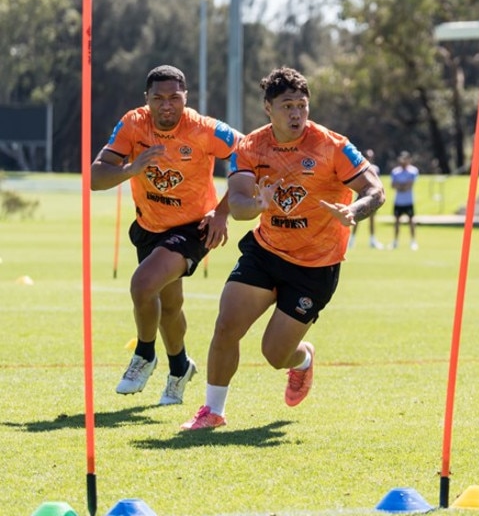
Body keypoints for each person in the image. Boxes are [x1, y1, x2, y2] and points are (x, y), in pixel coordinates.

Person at [181, 67, 385, 430]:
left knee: (275, 355)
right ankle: (212, 411)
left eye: (302, 106)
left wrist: (353, 210)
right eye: (287, 105)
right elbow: (240, 203)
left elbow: (376, 191)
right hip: (267, 251)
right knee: (227, 324)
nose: (296, 114)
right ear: (267, 108)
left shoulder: (331, 145)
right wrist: (257, 206)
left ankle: (302, 360)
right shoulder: (250, 146)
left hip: (315, 266)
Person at [90, 65, 241, 406]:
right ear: (147, 100)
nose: (167, 105)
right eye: (158, 98)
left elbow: (250, 156)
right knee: (170, 307)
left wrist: (222, 211)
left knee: (143, 285)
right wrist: (130, 169)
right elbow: (95, 178)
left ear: (186, 99)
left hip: (193, 227)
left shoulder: (204, 129)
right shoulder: (133, 124)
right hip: (149, 226)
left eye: (175, 97)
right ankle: (179, 369)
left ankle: (145, 355)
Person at [348, 149, 384, 249]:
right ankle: (351, 240)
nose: (370, 158)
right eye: (368, 156)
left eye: (371, 156)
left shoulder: (375, 168)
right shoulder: (359, 167)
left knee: (372, 219)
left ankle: (372, 240)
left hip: (371, 197)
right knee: (356, 218)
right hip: (360, 196)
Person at [390, 151, 419, 250]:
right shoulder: (395, 171)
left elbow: (409, 185)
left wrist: (400, 185)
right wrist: (402, 185)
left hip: (408, 201)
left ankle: (413, 241)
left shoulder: (413, 171)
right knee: (397, 222)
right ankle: (395, 242)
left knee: (411, 221)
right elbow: (393, 185)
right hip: (398, 201)